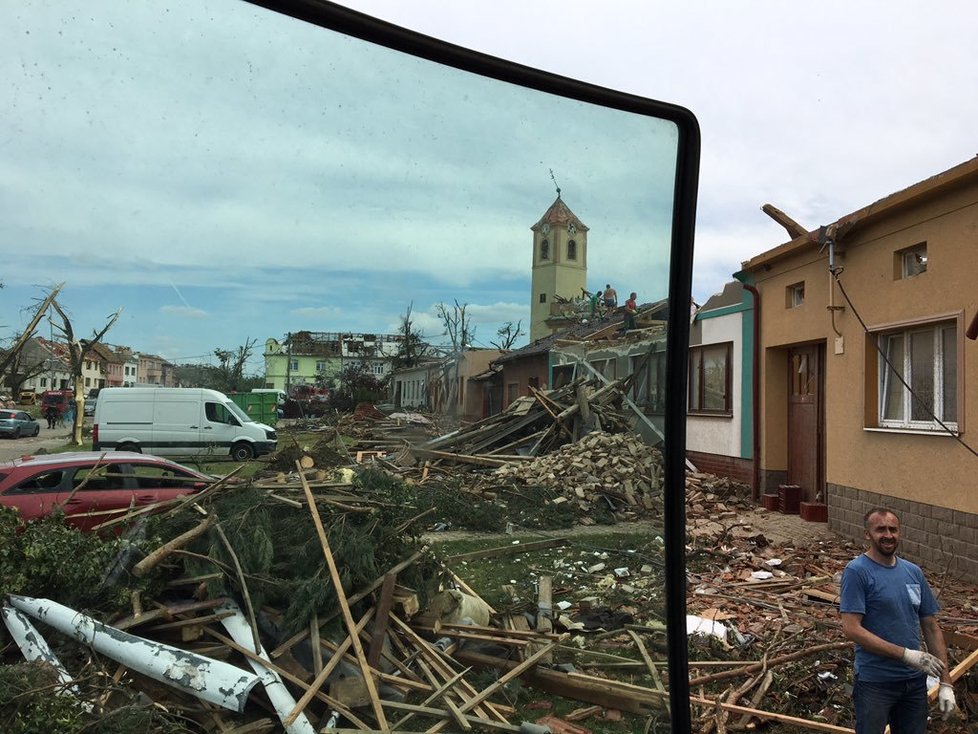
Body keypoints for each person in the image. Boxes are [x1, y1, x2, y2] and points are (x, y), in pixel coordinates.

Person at [840, 507, 957, 732]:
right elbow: (852, 628)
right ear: (867, 534)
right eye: (880, 529)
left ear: (899, 532)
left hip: (913, 683)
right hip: (876, 683)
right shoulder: (857, 572)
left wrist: (945, 682)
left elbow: (931, 627)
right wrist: (905, 654)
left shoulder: (913, 572)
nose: (888, 535)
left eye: (893, 529)